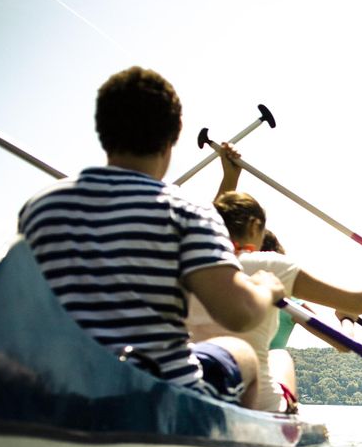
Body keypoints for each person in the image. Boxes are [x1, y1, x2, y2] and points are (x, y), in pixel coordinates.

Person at [17, 66, 284, 408]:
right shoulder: (187, 210)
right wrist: (266, 289)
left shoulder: (39, 207)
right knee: (241, 353)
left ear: (102, 132)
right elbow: (239, 314)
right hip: (160, 395)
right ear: (173, 137)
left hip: (63, 387)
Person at [184, 147, 362, 412]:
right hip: (261, 404)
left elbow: (212, 232)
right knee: (280, 356)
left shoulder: (189, 265)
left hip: (194, 386)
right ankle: (289, 415)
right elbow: (358, 306)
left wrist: (229, 178)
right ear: (254, 228)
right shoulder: (272, 271)